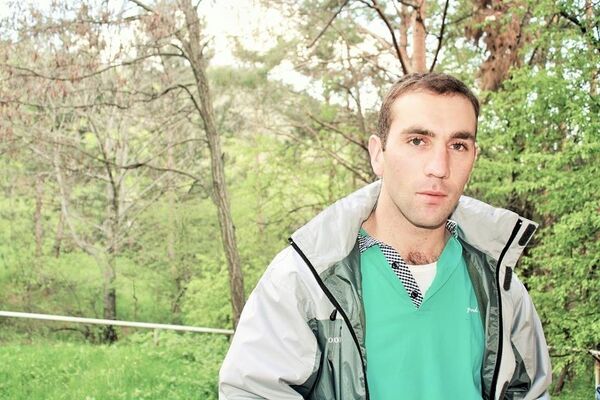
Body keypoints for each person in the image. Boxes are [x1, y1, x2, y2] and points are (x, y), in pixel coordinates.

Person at [219, 73, 551, 400]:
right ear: (378, 154)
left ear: (473, 158)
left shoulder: (500, 286)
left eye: (458, 145)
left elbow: (530, 392)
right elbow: (252, 392)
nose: (440, 167)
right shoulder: (305, 279)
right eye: (418, 141)